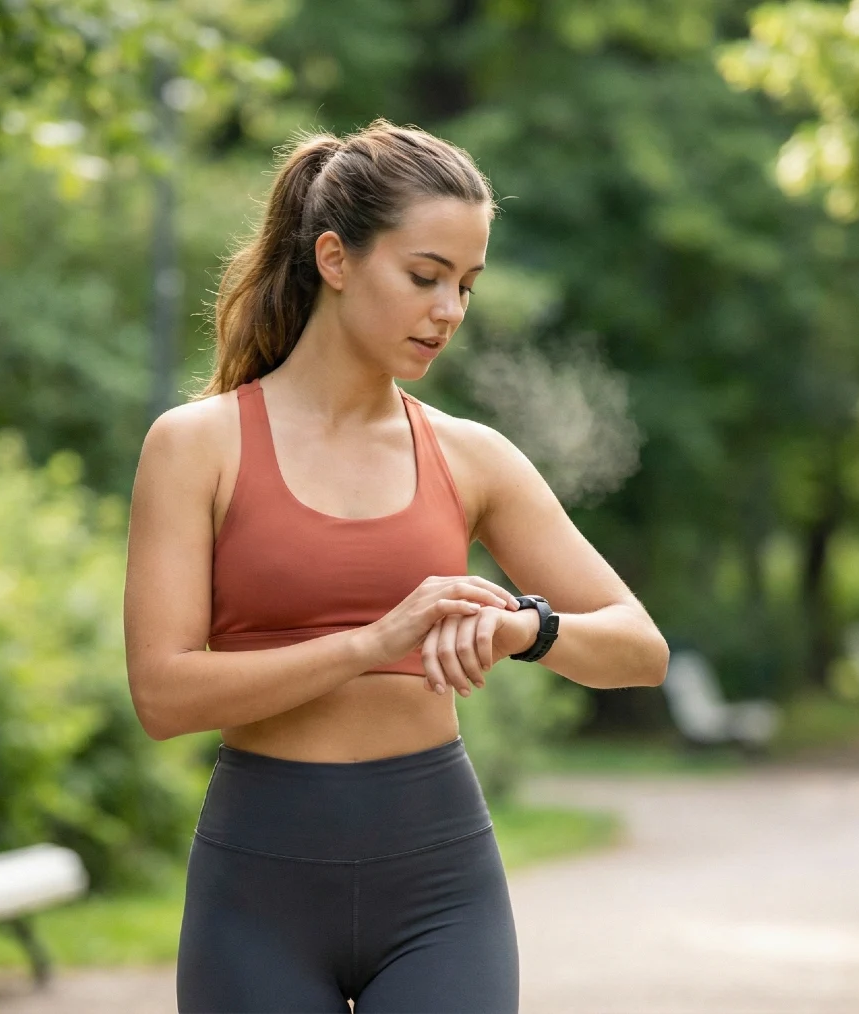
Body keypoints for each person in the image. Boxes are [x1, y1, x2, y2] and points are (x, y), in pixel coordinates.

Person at [122, 120, 670, 1014]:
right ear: (334, 258)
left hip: (440, 890)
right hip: (257, 891)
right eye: (424, 277)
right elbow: (163, 695)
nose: (449, 310)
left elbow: (640, 649)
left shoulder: (471, 456)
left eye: (465, 284)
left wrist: (522, 629)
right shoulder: (197, 446)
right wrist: (371, 642)